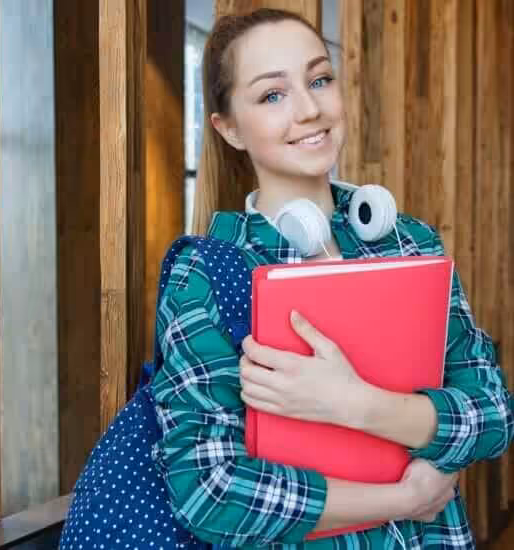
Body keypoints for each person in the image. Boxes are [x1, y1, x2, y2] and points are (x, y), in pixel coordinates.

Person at [150, 7, 514, 550]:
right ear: (229, 129)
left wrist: (356, 405)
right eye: (273, 95)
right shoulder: (206, 274)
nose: (310, 108)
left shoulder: (410, 242)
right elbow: (209, 489)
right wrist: (404, 499)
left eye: (319, 79)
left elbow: (493, 411)